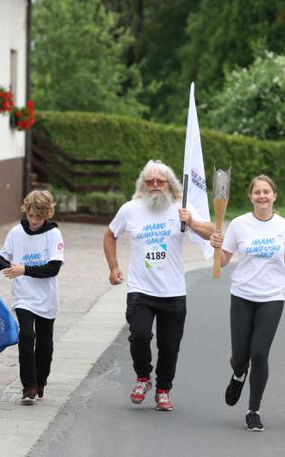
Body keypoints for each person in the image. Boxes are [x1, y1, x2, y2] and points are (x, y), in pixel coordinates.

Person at [103, 160, 214, 412]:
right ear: (142, 184)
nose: (154, 186)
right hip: (140, 290)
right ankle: (143, 377)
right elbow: (110, 234)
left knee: (169, 346)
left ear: (169, 184)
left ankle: (163, 389)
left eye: (159, 181)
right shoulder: (130, 209)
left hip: (173, 292)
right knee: (139, 336)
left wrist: (193, 223)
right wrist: (113, 267)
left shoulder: (181, 208)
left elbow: (213, 233)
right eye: (149, 181)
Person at [209, 174, 285, 431]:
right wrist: (215, 248)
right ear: (251, 197)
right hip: (242, 296)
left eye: (266, 191)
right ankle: (238, 373)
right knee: (239, 356)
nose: (262, 196)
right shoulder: (238, 225)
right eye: (257, 192)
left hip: (272, 298)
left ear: (274, 195)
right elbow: (223, 261)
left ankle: (253, 410)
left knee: (259, 352)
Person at [0, 190, 64, 405]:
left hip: (47, 297)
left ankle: (41, 380)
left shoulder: (53, 234)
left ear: (47, 214)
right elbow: (6, 264)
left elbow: (53, 268)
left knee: (45, 343)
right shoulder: (15, 233)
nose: (34, 220)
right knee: (27, 335)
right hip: (23, 297)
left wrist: (24, 269)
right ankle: (28, 386)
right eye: (31, 215)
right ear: (26, 211)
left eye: (39, 217)